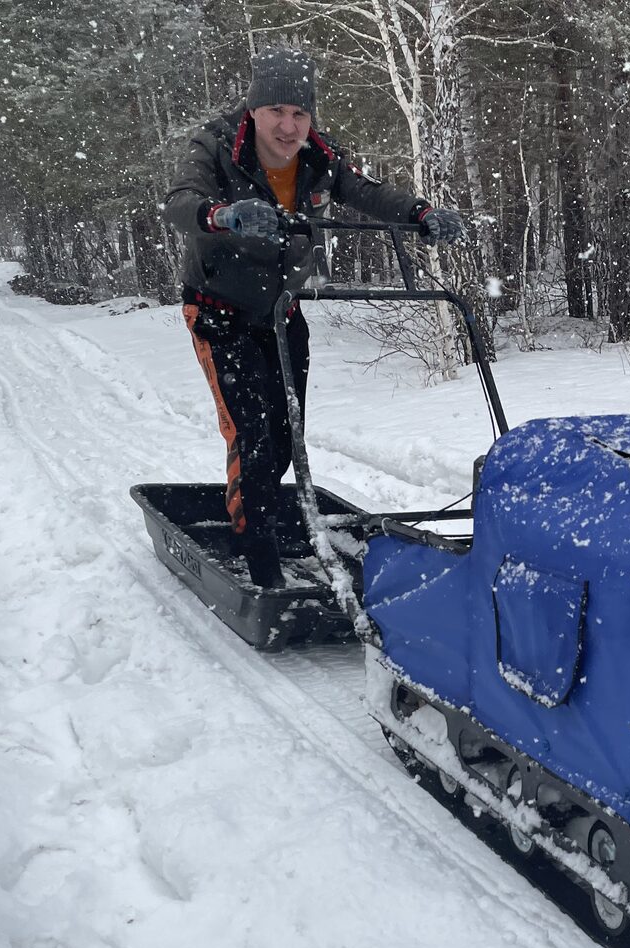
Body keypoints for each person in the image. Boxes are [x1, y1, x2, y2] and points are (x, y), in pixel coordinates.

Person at [165, 46, 464, 586]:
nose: (288, 125)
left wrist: (421, 213)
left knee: (287, 431)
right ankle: (257, 553)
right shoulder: (214, 145)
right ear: (254, 108)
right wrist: (225, 214)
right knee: (253, 433)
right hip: (217, 310)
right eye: (277, 110)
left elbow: (366, 192)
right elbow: (181, 202)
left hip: (282, 309)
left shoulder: (320, 156)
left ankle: (262, 513)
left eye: (299, 113)